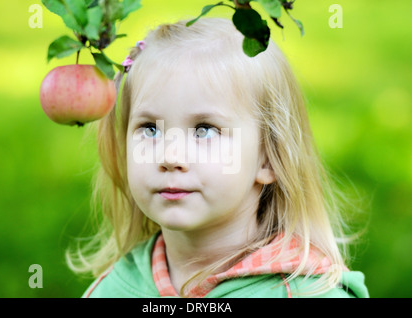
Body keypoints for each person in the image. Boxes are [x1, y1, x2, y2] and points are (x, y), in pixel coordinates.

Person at [68, 18, 369, 298]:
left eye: (204, 130)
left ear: (268, 159)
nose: (170, 156)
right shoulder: (112, 290)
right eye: (150, 129)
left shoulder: (310, 292)